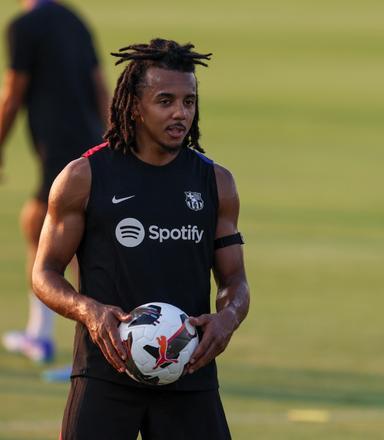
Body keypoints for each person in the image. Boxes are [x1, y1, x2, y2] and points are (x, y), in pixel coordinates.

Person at [31, 38, 249, 439]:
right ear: (134, 105)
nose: (180, 113)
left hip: (189, 375)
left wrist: (227, 318)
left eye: (188, 101)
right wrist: (88, 311)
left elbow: (235, 281)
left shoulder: (216, 183)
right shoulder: (84, 177)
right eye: (165, 101)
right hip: (105, 376)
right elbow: (44, 273)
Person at [0, 0, 109, 363]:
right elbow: (100, 88)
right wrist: (113, 141)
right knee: (36, 225)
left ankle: (101, 347)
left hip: (59, 148)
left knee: (73, 244)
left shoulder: (23, 27)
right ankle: (40, 334)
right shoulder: (74, 19)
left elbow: (13, 92)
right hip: (87, 141)